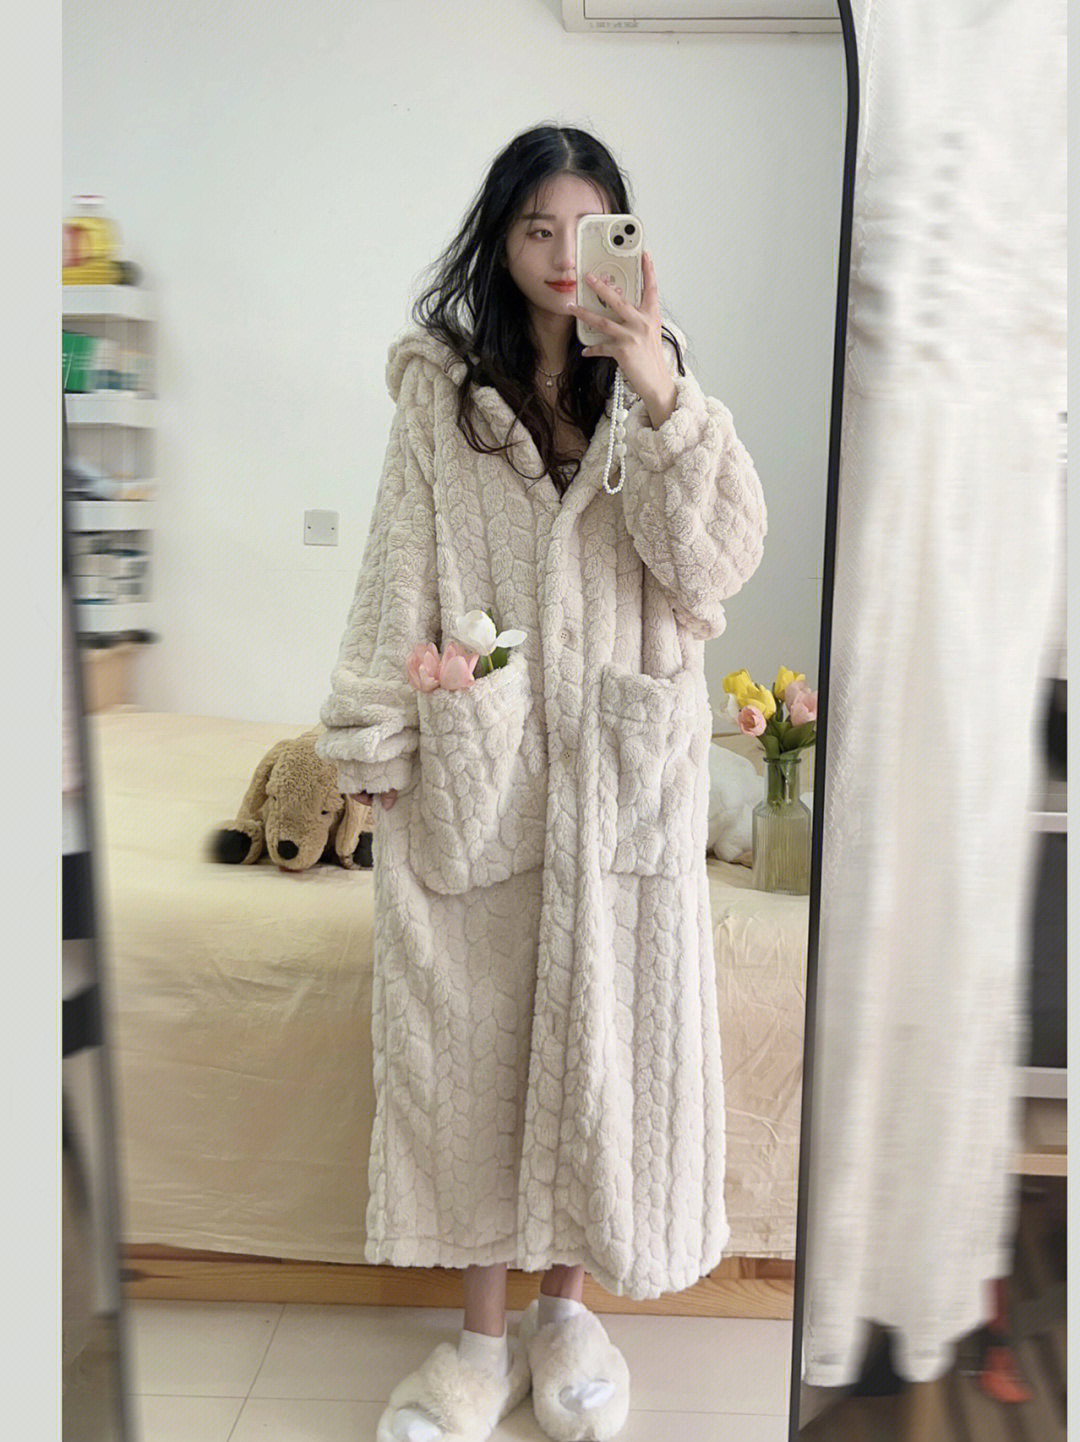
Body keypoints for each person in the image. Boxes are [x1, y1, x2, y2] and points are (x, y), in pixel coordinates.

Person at [316, 124, 767, 1442]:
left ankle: (567, 1316)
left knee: (603, 1042)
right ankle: (477, 1340)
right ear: (502, 243)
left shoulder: (660, 388)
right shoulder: (445, 399)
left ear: (626, 233)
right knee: (469, 1055)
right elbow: (395, 569)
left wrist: (662, 395)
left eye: (589, 227)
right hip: (490, 768)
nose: (566, 256)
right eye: (536, 229)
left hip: (626, 777)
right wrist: (375, 743)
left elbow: (715, 568)